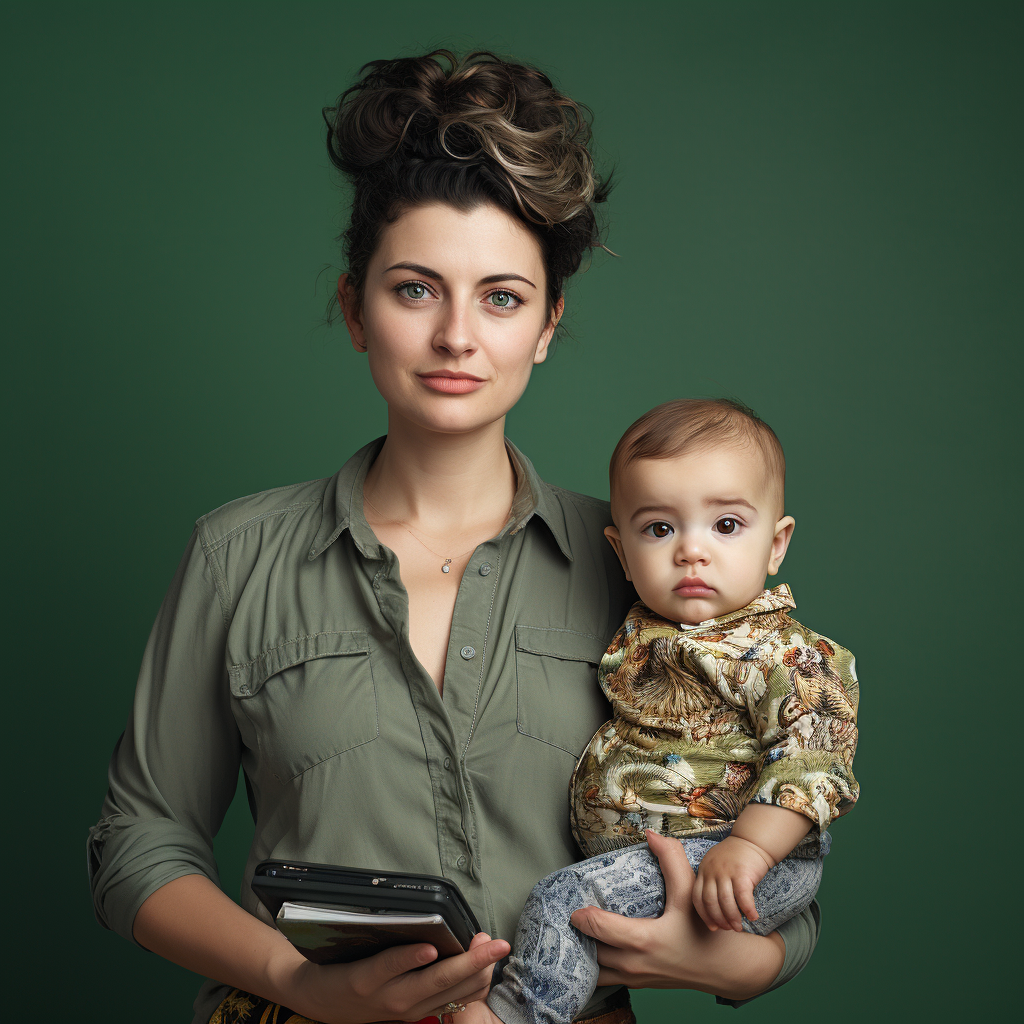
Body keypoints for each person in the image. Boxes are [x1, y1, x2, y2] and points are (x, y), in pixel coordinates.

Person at [87, 53, 826, 1024]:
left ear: (549, 324)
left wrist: (738, 966)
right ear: (355, 310)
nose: (457, 338)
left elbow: (766, 836)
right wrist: (296, 980)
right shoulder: (237, 554)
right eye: (415, 289)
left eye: (502, 297)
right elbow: (138, 842)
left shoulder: (637, 567)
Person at [477, 399, 860, 1024]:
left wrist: (750, 850)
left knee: (561, 902)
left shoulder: (787, 654)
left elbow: (814, 762)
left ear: (777, 543)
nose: (691, 551)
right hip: (665, 856)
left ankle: (510, 1017)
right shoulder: (644, 634)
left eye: (727, 526)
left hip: (738, 858)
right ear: (621, 553)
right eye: (659, 529)